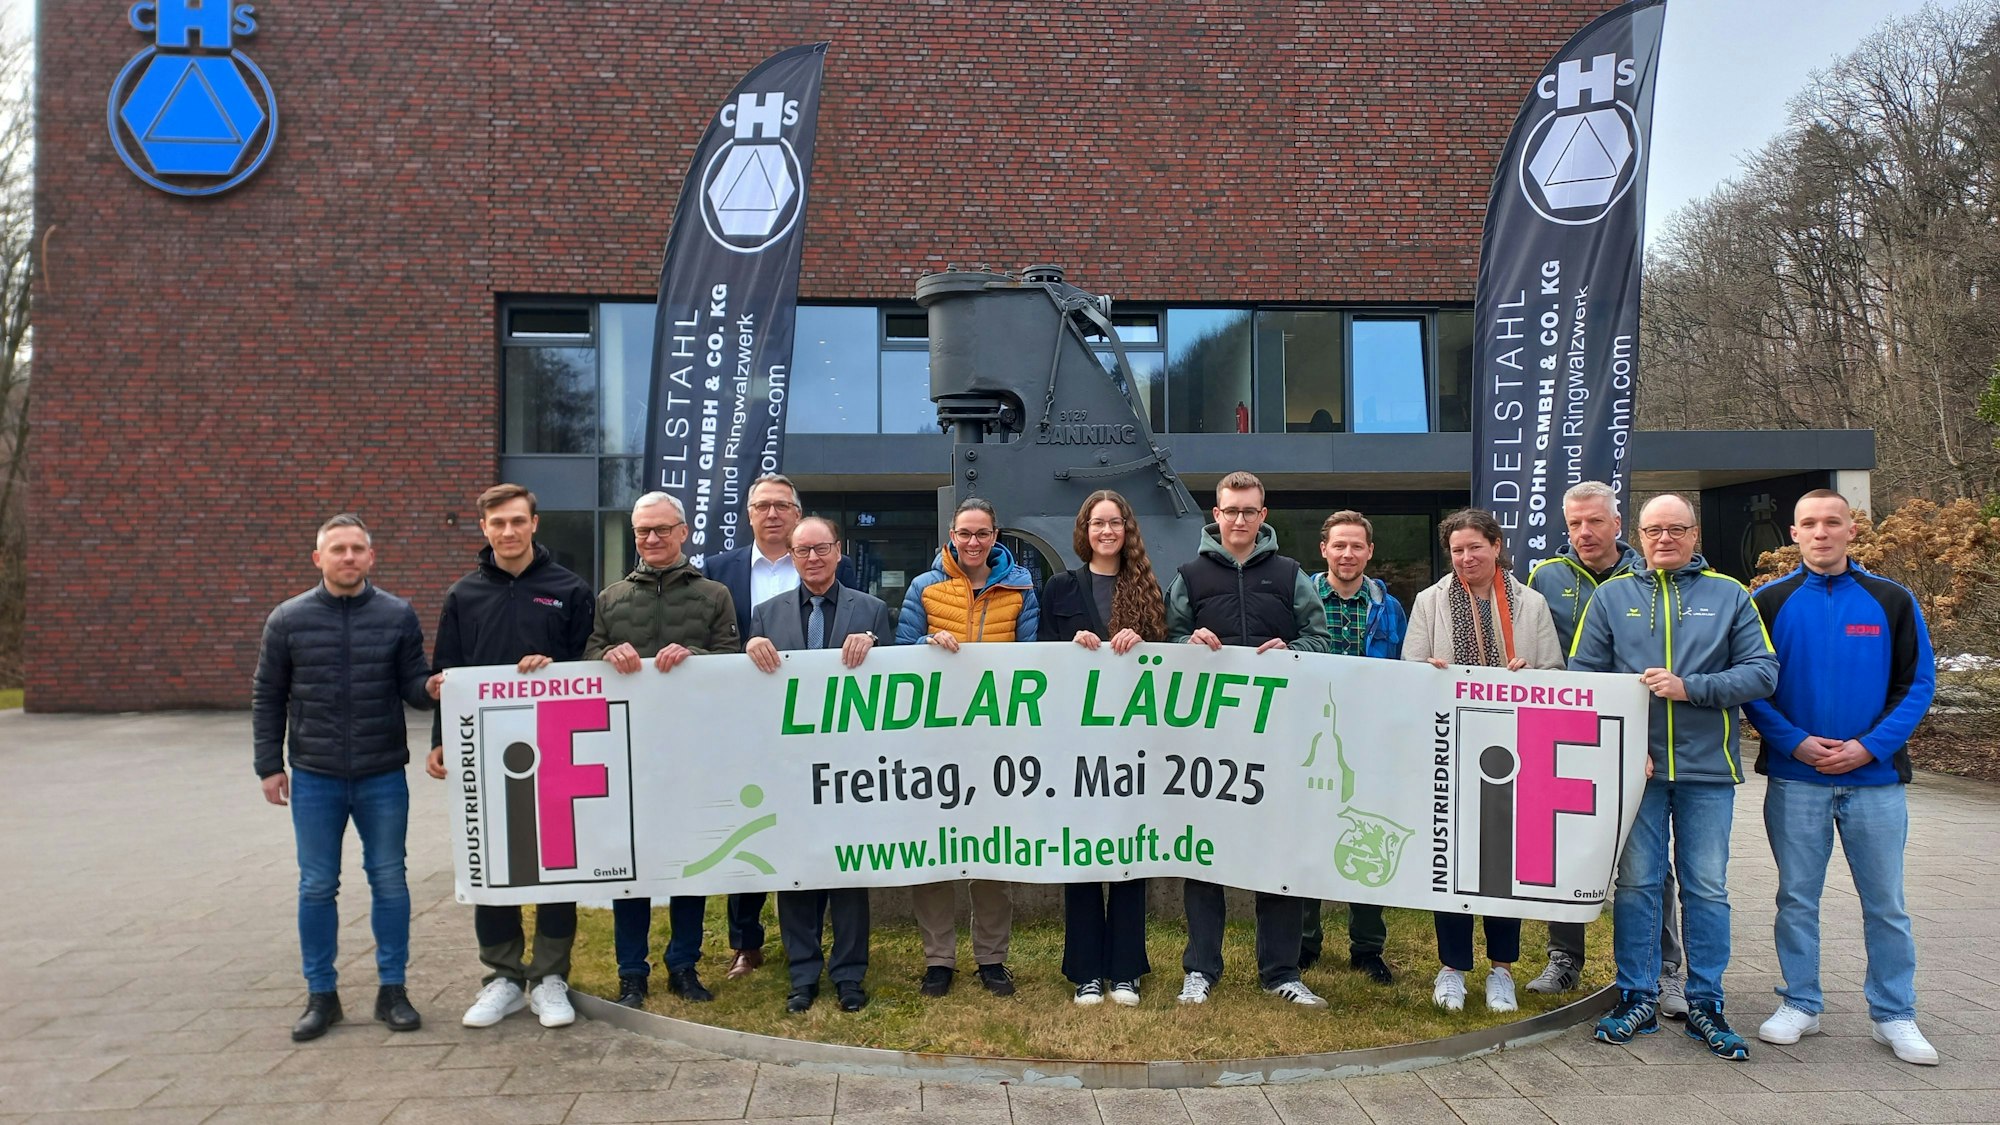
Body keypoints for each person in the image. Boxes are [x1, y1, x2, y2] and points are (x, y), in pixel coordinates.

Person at [1571, 494, 1777, 1060]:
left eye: (1676, 529)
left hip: (1708, 771)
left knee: (1706, 887)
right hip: (1638, 771)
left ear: (1695, 534)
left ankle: (1705, 1001)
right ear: (1637, 533)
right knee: (1636, 885)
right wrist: (1620, 746)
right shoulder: (1612, 597)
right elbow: (1583, 682)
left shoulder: (1730, 595)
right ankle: (1636, 994)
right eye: (1654, 530)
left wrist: (1693, 688)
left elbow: (1763, 673)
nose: (1665, 539)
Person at [1744, 490, 1939, 1065]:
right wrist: (1795, 742)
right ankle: (1800, 1003)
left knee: (1886, 905)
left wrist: (1869, 747)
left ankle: (1895, 1014)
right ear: (1794, 534)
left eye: (1832, 522)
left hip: (1875, 781)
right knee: (1796, 898)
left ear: (1852, 530)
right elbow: (1752, 686)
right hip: (1795, 777)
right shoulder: (1767, 602)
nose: (1821, 532)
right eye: (1809, 523)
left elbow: (1917, 684)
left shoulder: (1892, 600)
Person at [253, 514, 435, 1042]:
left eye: (358, 548)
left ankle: (393, 991)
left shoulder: (398, 614)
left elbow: (413, 686)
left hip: (382, 775)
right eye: (338, 549)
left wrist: (435, 687)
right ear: (319, 559)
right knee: (316, 886)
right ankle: (321, 995)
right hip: (315, 775)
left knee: (390, 879)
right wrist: (269, 765)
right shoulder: (287, 620)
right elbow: (267, 695)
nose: (349, 557)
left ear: (371, 557)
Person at [424, 484, 595, 1030]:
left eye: (518, 521)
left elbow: (588, 664)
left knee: (554, 865)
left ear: (535, 523)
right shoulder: (463, 595)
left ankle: (549, 976)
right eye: (497, 523)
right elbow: (446, 672)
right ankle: (502, 976)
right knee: (493, 860)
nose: (508, 531)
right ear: (484, 529)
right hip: (483, 751)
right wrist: (439, 739)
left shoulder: (569, 589)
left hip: (556, 745)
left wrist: (558, 667)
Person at [1164, 470, 1332, 1008]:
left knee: (1278, 853)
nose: (1239, 519)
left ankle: (1281, 970)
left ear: (1264, 516)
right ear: (1215, 514)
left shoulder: (1290, 574)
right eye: (1231, 510)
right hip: (1208, 741)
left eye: (1249, 511)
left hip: (1276, 739)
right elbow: (1165, 643)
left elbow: (1320, 637)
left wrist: (1295, 648)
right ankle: (1200, 969)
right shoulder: (1188, 576)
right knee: (1203, 854)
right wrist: (1187, 641)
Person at [1523, 482, 1687, 1014]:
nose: (1584, 533)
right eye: (1574, 524)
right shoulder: (1544, 577)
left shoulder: (1648, 575)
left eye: (1595, 522)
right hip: (1566, 738)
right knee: (1569, 848)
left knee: (1648, 860)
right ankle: (1564, 958)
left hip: (1641, 740)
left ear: (1619, 524)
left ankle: (1664, 967)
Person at [697, 473, 860, 980]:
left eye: (781, 506)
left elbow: (853, 622)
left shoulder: (834, 565)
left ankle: (819, 943)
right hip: (750, 719)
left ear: (796, 514)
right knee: (751, 825)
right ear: (749, 514)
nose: (771, 513)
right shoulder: (719, 569)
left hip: (826, 723)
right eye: (762, 505)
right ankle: (746, 942)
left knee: (814, 827)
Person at [1403, 508, 1565, 1014]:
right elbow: (1408, 670)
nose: (1466, 557)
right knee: (1449, 858)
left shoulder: (1530, 604)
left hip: (1512, 750)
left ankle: (1502, 970)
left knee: (1501, 862)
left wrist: (1528, 672)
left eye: (1475, 547)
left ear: (1495, 545)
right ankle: (1451, 967)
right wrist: (1430, 673)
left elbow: (1555, 674)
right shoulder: (1430, 602)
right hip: (1449, 747)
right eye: (1457, 550)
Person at [586, 492, 741, 1007]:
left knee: (689, 860)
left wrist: (693, 654)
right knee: (630, 863)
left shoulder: (714, 594)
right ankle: (632, 971)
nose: (650, 539)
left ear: (683, 532)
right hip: (628, 750)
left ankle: (684, 965)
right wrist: (607, 653)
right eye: (641, 532)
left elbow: (731, 659)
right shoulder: (609, 599)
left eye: (660, 530)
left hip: (692, 749)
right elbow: (587, 657)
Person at [746, 516, 893, 1014]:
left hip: (852, 769)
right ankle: (802, 974)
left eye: (822, 548)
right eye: (803, 550)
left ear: (838, 550)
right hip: (790, 768)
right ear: (790, 554)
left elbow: (897, 687)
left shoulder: (871, 610)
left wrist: (876, 648)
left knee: (849, 875)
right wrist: (748, 649)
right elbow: (751, 690)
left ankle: (850, 975)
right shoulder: (765, 615)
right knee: (797, 873)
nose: (813, 558)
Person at [894, 496, 1040, 997]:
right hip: (935, 739)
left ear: (995, 537)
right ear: (950, 537)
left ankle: (992, 960)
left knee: (993, 851)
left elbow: (1033, 661)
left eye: (982, 534)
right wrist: (924, 649)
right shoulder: (924, 587)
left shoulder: (1021, 590)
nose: (973, 542)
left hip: (997, 738)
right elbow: (900, 651)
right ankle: (939, 960)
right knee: (932, 850)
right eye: (965, 534)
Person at [1040, 490, 1167, 1007]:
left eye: (1116, 522)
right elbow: (1041, 654)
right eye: (1098, 523)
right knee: (1085, 854)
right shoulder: (1060, 586)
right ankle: (1086, 970)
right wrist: (1070, 650)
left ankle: (1126, 970)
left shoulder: (1147, 586)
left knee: (1130, 853)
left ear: (1127, 528)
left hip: (1134, 741)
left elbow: (1167, 655)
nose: (1107, 531)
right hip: (1078, 741)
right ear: (1084, 530)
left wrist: (1145, 643)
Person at [1299, 510, 1407, 986]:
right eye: (1339, 545)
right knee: (1309, 837)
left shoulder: (1389, 606)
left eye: (1356, 546)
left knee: (1368, 834)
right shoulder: (1298, 596)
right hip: (1311, 734)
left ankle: (1367, 947)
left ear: (1369, 552)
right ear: (1324, 549)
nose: (1347, 554)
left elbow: (1408, 669)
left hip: (1371, 739)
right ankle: (1305, 943)